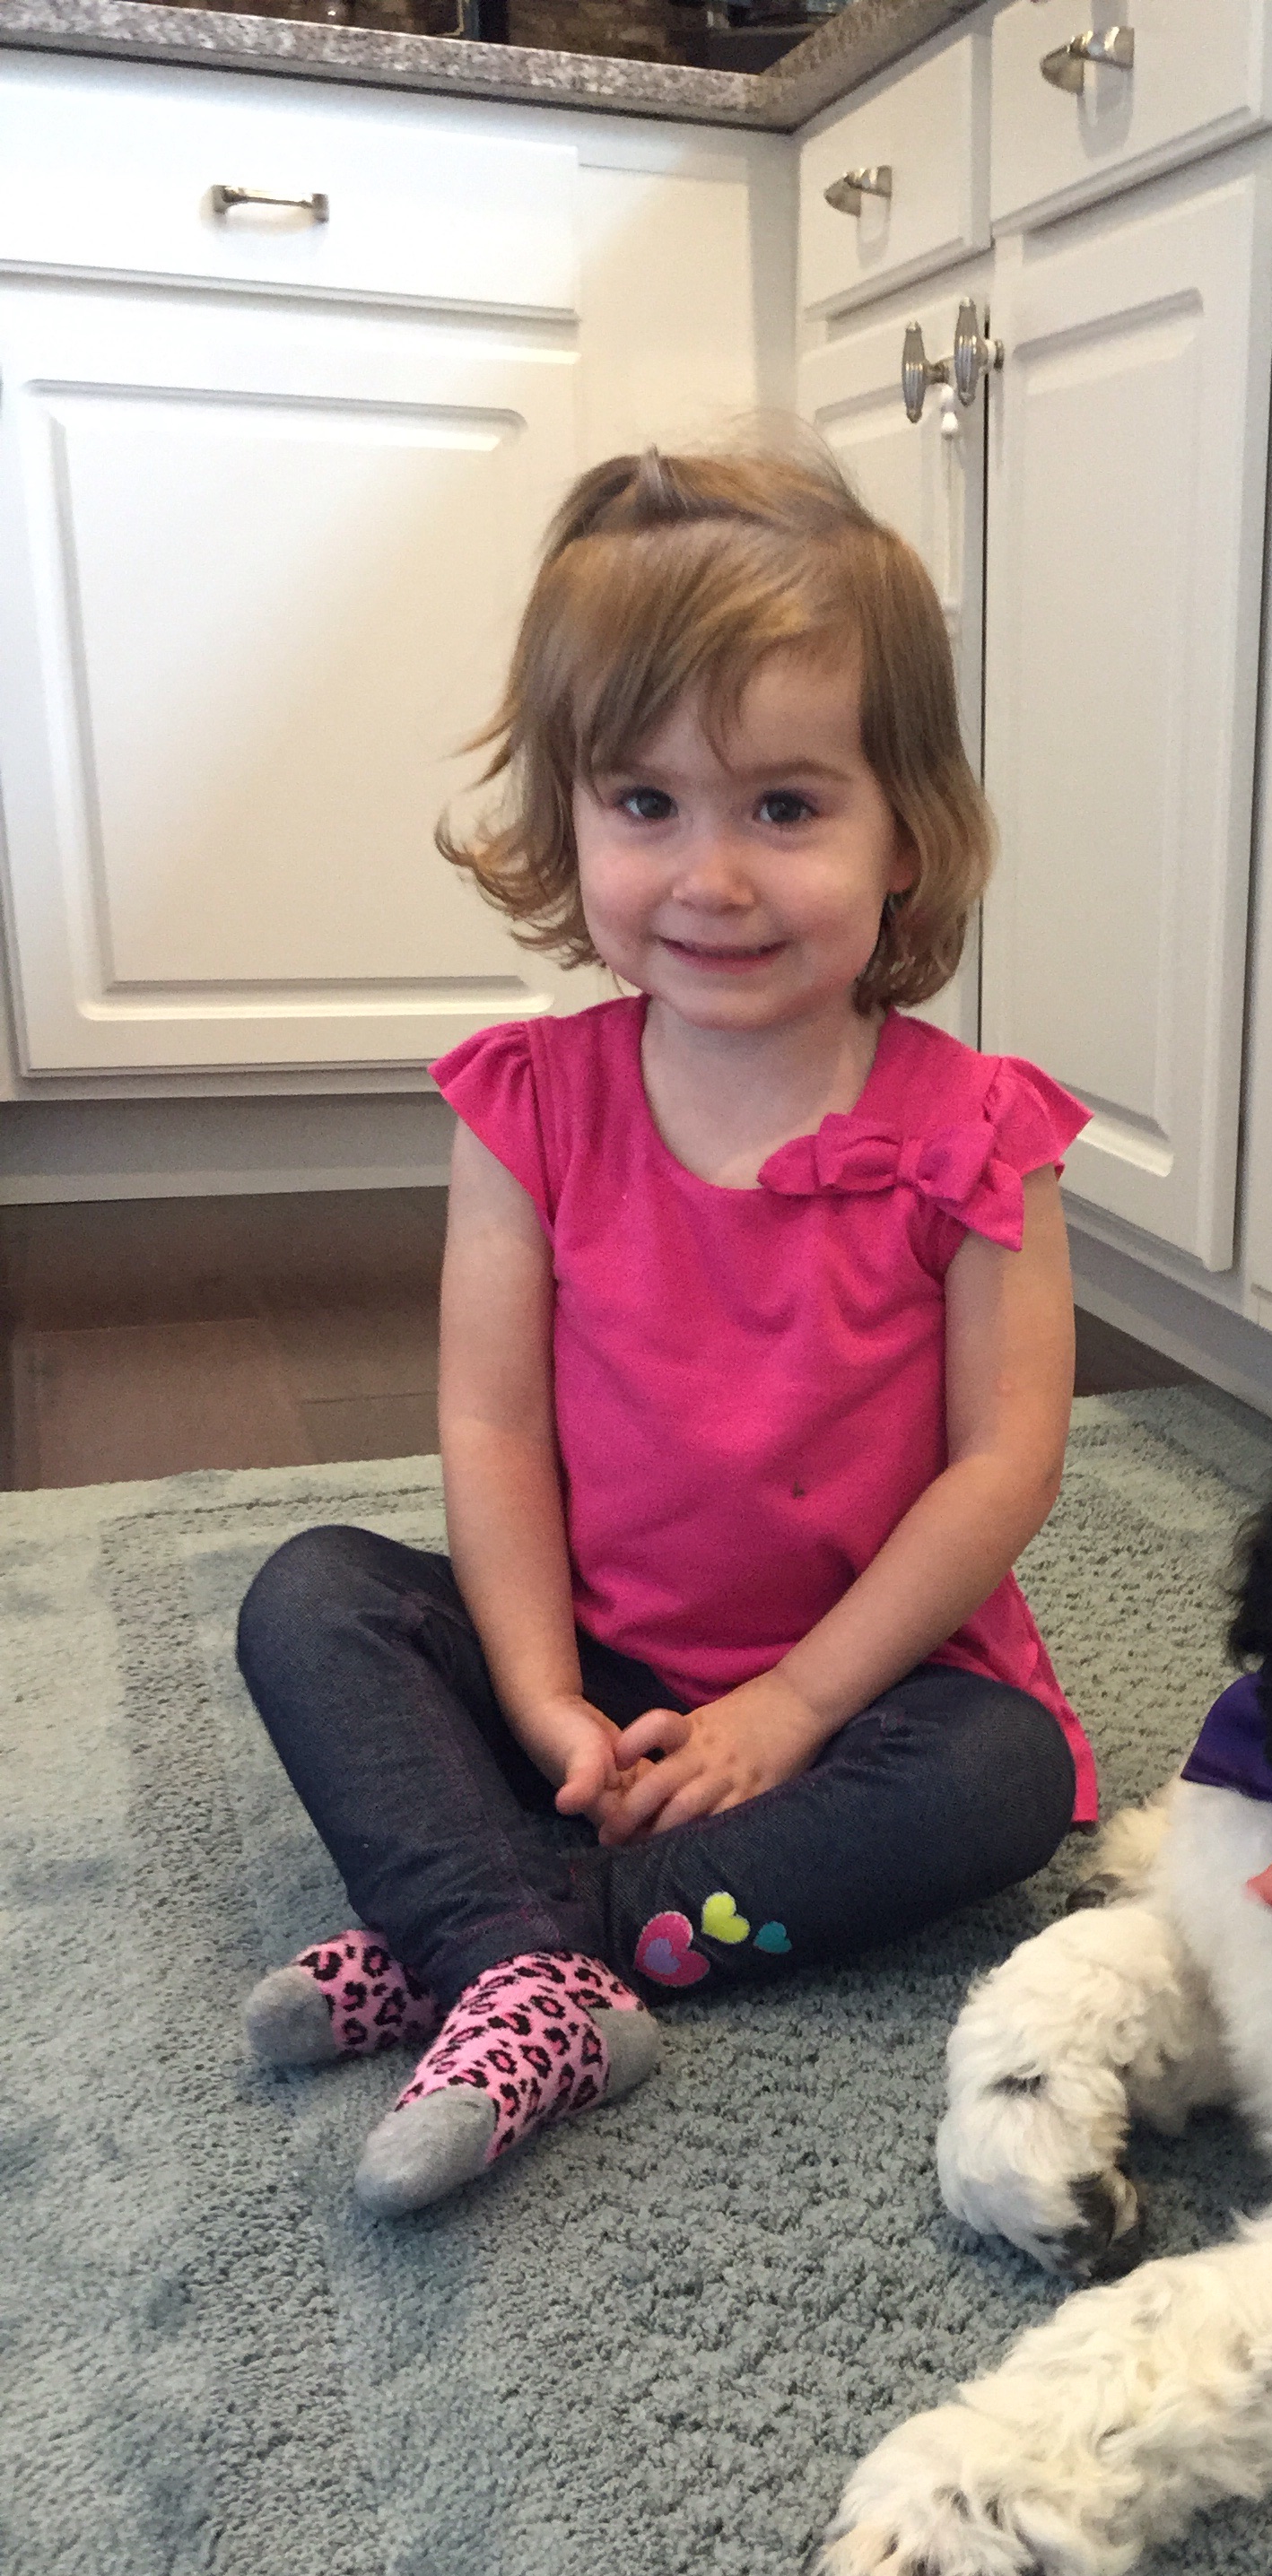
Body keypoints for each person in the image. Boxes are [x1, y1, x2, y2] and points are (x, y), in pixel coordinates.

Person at [234, 439, 1094, 2217]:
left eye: (783, 807)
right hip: (592, 1676)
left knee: (1002, 1783)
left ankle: (486, 1934)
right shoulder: (528, 1105)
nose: (710, 874)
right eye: (645, 802)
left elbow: (1004, 1466)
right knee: (315, 1597)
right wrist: (542, 1696)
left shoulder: (975, 1130)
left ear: (907, 832)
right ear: (569, 817)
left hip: (861, 1697)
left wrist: (791, 1706)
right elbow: (493, 1426)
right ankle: (524, 1949)